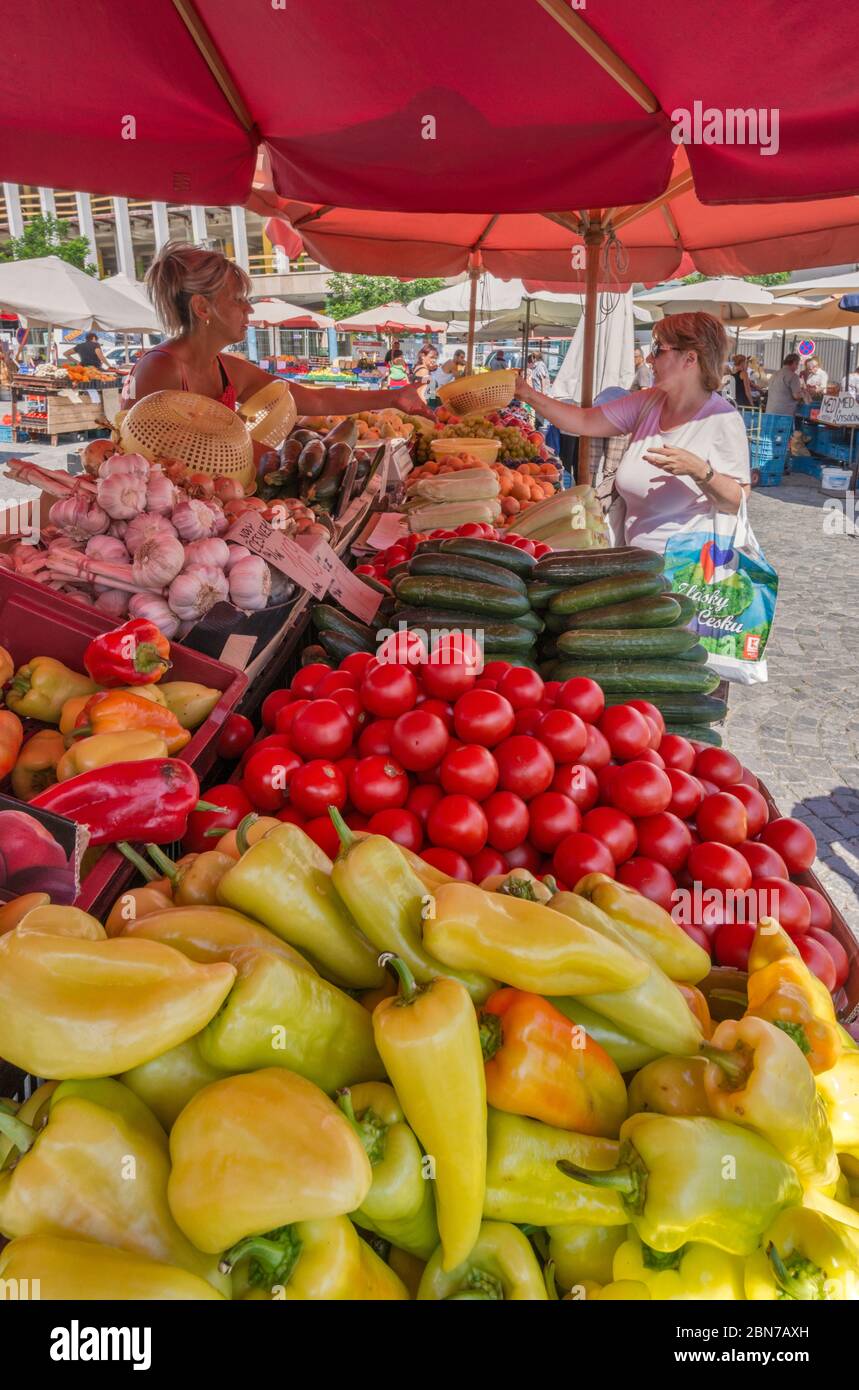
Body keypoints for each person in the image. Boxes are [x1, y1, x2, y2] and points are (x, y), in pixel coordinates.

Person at [515, 311, 750, 555]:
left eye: (658, 349)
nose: (649, 358)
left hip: (687, 575)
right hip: (635, 567)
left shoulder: (721, 419)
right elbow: (584, 421)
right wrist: (526, 394)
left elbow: (736, 502)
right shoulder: (649, 402)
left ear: (690, 358)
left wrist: (701, 471)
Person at [122, 244, 430, 424]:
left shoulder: (228, 369)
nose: (249, 310)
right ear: (202, 307)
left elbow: (314, 401)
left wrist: (393, 397)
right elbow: (141, 462)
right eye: (237, 299)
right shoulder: (160, 369)